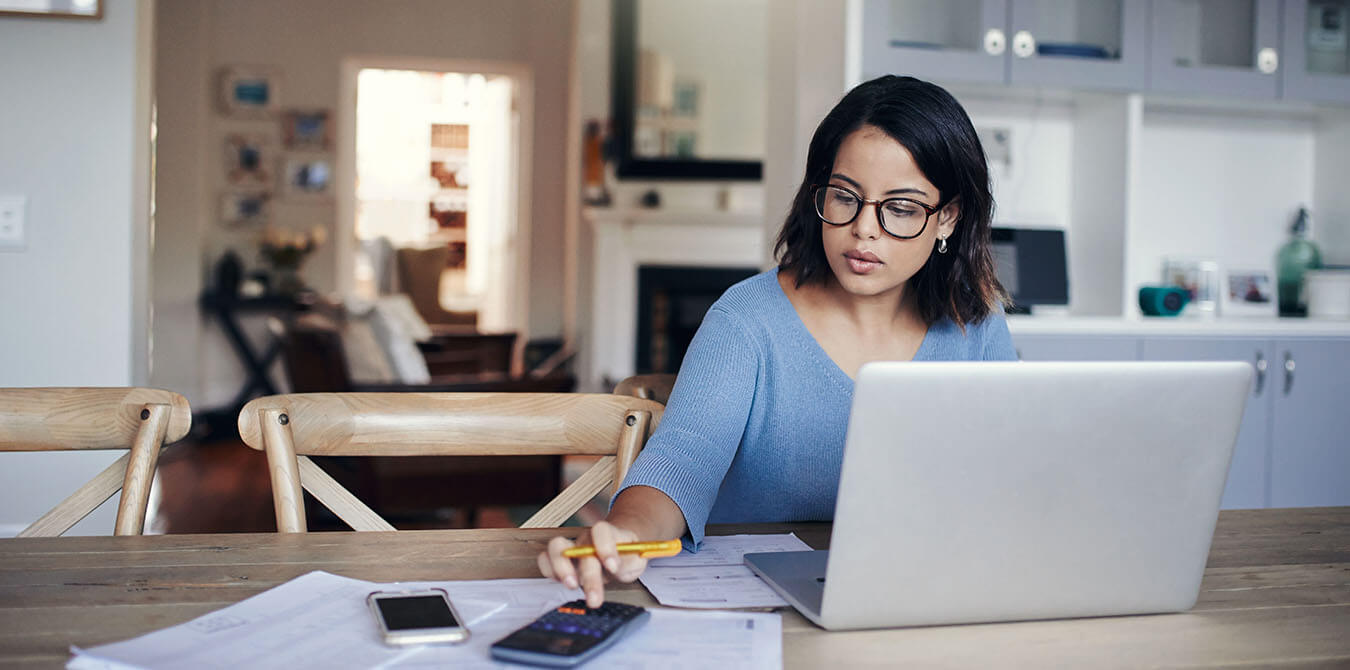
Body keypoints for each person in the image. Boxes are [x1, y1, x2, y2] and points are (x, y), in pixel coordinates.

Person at [539, 75, 1017, 606]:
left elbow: (1007, 482)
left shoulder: (977, 324)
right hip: (755, 607)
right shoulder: (745, 320)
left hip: (918, 599)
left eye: (901, 208)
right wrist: (626, 534)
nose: (864, 229)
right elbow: (681, 462)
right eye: (845, 197)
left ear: (947, 217)